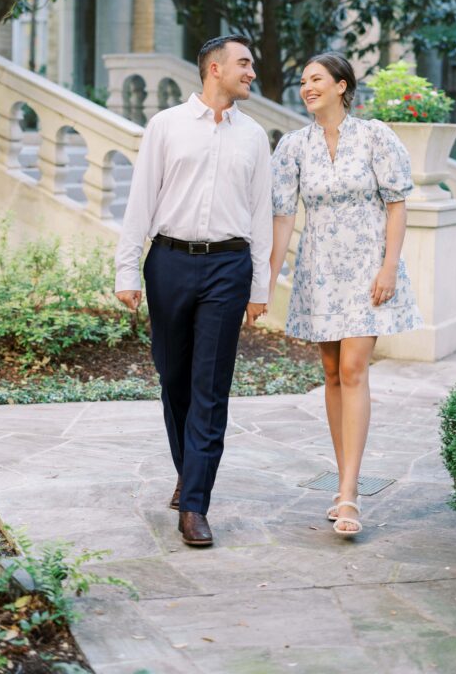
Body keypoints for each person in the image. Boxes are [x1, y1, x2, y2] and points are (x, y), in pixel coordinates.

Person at [115, 36, 272, 548]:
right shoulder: (165, 127)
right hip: (169, 263)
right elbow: (141, 199)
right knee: (174, 377)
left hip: (229, 266)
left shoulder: (254, 137)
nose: (252, 72)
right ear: (214, 68)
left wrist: (260, 284)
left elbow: (261, 216)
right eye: (244, 63)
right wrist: (127, 270)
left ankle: (196, 503)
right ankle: (190, 468)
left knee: (211, 386)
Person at [269, 53, 422, 537]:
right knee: (332, 372)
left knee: (354, 370)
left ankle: (350, 493)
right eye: (302, 81)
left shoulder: (376, 135)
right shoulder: (293, 146)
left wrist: (389, 267)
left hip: (365, 272)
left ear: (341, 85)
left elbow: (397, 207)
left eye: (316, 79)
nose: (306, 87)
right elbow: (283, 216)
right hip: (318, 273)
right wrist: (268, 278)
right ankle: (342, 480)